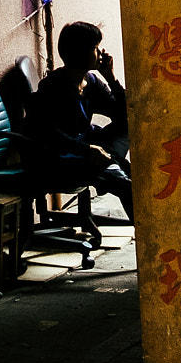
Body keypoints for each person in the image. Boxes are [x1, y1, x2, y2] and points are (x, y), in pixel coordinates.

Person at [26, 20, 133, 223]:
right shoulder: (52, 87)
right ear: (80, 51)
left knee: (129, 128)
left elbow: (122, 116)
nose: (101, 53)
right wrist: (86, 150)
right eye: (95, 47)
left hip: (86, 147)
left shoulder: (91, 82)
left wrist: (111, 79)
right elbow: (49, 135)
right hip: (59, 158)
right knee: (127, 187)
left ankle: (109, 164)